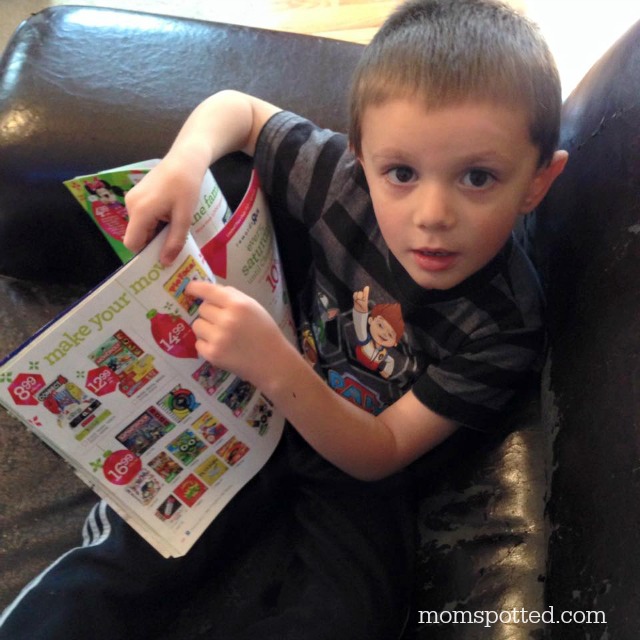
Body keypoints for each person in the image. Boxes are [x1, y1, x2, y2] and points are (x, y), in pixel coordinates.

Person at [0, 1, 568, 638]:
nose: (432, 214)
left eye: (478, 177)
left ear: (538, 183)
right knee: (135, 552)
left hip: (353, 461)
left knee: (351, 612)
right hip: (241, 405)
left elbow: (379, 453)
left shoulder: (507, 324)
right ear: (362, 156)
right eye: (401, 173)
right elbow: (237, 110)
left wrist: (275, 363)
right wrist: (185, 162)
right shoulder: (341, 180)